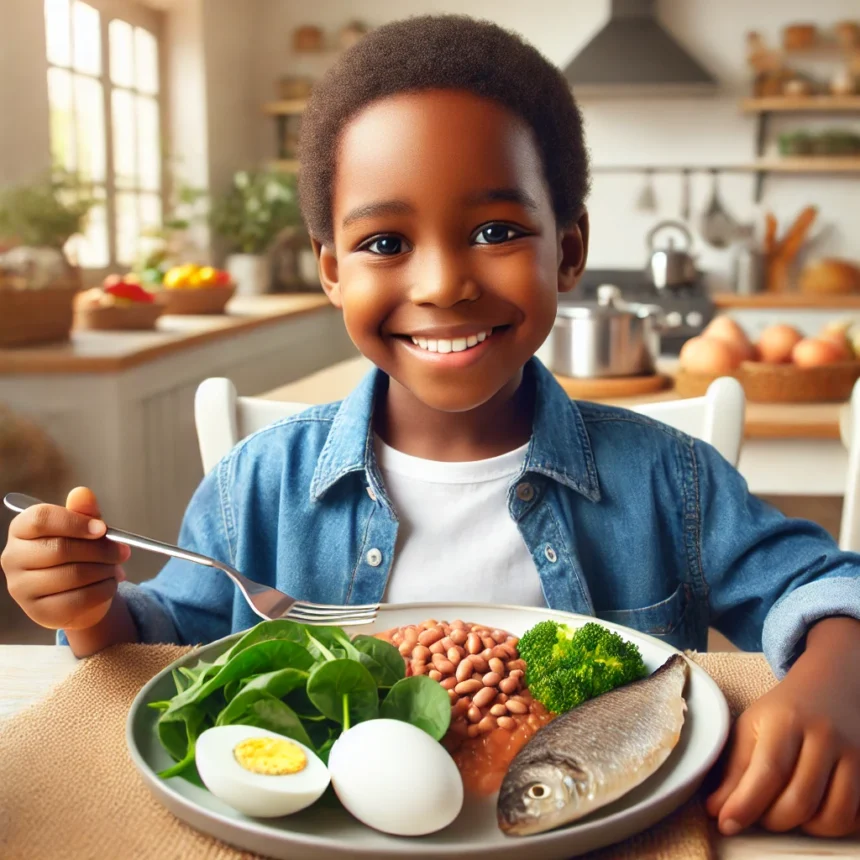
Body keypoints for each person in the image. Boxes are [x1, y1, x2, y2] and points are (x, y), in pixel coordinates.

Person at [3, 14, 859, 840]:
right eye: (385, 243)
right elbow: (163, 648)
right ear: (331, 269)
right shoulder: (254, 488)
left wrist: (838, 678)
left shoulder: (670, 482)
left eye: (495, 231)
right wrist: (89, 607)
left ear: (567, 250)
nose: (444, 283)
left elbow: (824, 585)